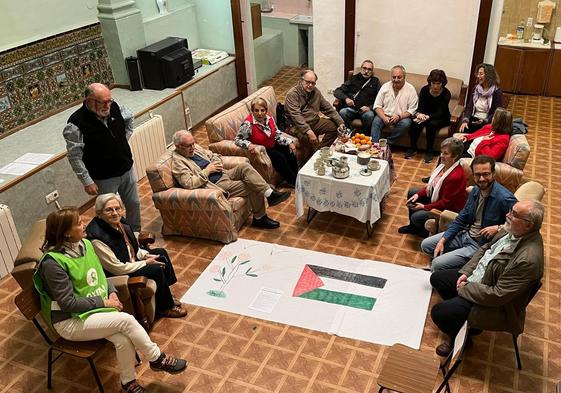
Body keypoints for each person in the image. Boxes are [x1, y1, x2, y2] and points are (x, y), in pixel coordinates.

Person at [33, 207, 187, 393]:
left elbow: (100, 275)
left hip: (91, 312)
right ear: (66, 232)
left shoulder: (85, 245)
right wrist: (104, 302)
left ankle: (128, 383)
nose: (85, 225)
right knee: (127, 320)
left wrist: (111, 291)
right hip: (69, 320)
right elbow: (67, 303)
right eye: (79, 223)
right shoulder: (53, 263)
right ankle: (157, 358)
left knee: (123, 339)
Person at [430, 200, 544, 356]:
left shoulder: (528, 260)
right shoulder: (512, 229)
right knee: (437, 278)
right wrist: (467, 272)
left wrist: (465, 288)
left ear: (528, 225)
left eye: (514, 214)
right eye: (510, 211)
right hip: (477, 278)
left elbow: (498, 295)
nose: (507, 215)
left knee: (439, 313)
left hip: (493, 303)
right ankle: (461, 317)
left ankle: (464, 336)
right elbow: (485, 249)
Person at [86, 193, 187, 318]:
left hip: (131, 260)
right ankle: (165, 307)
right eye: (109, 210)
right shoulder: (97, 238)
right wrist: (145, 263)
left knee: (161, 253)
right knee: (155, 269)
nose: (115, 213)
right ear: (99, 213)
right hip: (121, 271)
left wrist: (145, 256)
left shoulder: (120, 222)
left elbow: (132, 246)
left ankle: (167, 294)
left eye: (117, 209)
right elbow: (116, 268)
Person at [171, 130, 290, 229]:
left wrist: (215, 162)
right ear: (178, 146)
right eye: (188, 146)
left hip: (223, 173)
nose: (192, 147)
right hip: (216, 184)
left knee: (245, 167)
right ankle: (260, 217)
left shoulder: (195, 148)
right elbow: (189, 183)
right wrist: (208, 170)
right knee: (252, 185)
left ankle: (269, 194)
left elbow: (213, 155)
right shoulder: (178, 162)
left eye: (193, 143)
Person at [63, 83, 141, 232]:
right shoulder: (75, 124)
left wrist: (123, 140)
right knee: (109, 212)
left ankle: (135, 235)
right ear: (89, 100)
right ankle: (113, 239)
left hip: (126, 169)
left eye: (109, 101)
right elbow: (74, 157)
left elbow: (129, 117)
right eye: (102, 102)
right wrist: (87, 181)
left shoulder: (115, 107)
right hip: (104, 178)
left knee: (134, 204)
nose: (107, 105)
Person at [420, 155, 517, 272]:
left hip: (479, 245)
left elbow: (519, 225)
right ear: (473, 174)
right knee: (426, 245)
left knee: (436, 264)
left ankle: (458, 269)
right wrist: (444, 239)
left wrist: (499, 227)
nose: (481, 179)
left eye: (486, 174)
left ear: (493, 173)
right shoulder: (475, 191)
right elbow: (462, 217)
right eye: (477, 174)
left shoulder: (505, 198)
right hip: (464, 234)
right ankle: (454, 263)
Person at [398, 138, 466, 237]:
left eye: (446, 153)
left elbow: (445, 203)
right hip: (437, 197)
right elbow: (432, 185)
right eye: (441, 152)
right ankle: (413, 227)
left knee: (416, 217)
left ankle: (424, 231)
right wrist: (418, 194)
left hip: (447, 209)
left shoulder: (455, 176)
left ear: (455, 156)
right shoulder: (444, 165)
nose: (441, 155)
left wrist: (424, 207)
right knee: (413, 192)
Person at [234, 97, 299, 186]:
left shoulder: (269, 119)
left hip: (272, 143)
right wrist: (248, 144)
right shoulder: (248, 124)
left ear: (266, 110)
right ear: (252, 111)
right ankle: (293, 182)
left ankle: (297, 178)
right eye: (256, 110)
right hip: (263, 149)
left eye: (262, 110)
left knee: (290, 151)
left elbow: (276, 134)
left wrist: (289, 142)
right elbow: (238, 139)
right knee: (279, 157)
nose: (259, 114)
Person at [284, 70, 345, 154]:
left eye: (313, 83)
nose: (310, 85)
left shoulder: (316, 92)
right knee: (307, 138)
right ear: (301, 81)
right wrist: (309, 131)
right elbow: (296, 116)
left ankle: (320, 152)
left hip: (313, 121)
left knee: (334, 127)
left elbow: (328, 108)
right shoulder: (292, 94)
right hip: (296, 125)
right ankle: (310, 157)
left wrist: (340, 122)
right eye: (308, 82)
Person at [405, 69, 451, 163]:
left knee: (431, 125)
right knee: (415, 123)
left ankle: (429, 150)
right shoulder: (424, 90)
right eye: (433, 83)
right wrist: (420, 114)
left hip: (441, 117)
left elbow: (440, 112)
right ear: (430, 82)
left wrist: (427, 117)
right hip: (425, 115)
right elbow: (420, 106)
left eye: (438, 83)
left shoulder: (446, 93)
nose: (435, 86)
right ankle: (413, 147)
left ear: (442, 83)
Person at [370, 65, 418, 145]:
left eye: (399, 77)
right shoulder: (385, 87)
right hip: (385, 115)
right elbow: (377, 106)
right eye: (394, 77)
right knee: (376, 121)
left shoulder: (411, 89)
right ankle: (374, 145)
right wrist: (384, 117)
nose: (396, 80)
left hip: (401, 118)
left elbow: (412, 110)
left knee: (406, 123)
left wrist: (399, 116)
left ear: (404, 77)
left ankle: (388, 144)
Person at [333, 59, 380, 134]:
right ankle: (350, 134)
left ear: (372, 71)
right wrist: (346, 99)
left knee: (370, 115)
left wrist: (369, 108)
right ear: (361, 69)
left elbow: (379, 99)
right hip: (352, 109)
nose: (366, 71)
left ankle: (364, 135)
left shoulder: (375, 81)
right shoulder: (353, 78)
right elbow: (337, 91)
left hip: (365, 111)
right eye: (364, 68)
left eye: (369, 69)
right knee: (342, 112)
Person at [458, 63, 504, 134]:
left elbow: (497, 112)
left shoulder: (496, 92)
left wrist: (485, 121)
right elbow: (469, 107)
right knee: (463, 131)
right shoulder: (476, 89)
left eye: (481, 74)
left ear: (489, 76)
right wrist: (465, 121)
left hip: (487, 122)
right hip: (473, 119)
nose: (478, 76)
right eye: (478, 74)